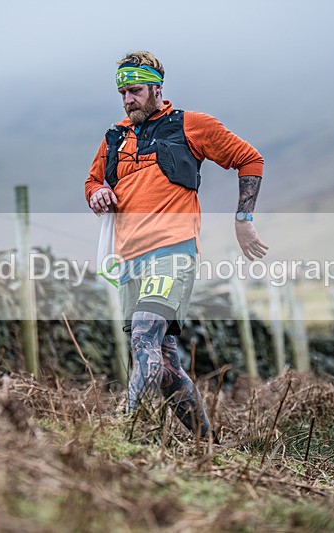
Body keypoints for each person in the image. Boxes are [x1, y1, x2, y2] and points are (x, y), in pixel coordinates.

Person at [85, 51, 267, 442]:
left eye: (134, 91)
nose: (127, 100)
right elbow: (93, 182)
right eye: (122, 92)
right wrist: (98, 193)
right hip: (128, 259)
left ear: (156, 89)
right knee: (165, 363)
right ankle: (209, 444)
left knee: (143, 336)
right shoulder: (115, 136)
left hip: (172, 252)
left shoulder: (191, 125)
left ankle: (120, 429)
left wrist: (243, 220)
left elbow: (249, 160)